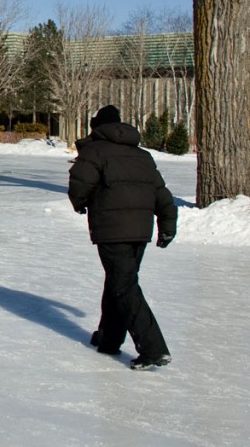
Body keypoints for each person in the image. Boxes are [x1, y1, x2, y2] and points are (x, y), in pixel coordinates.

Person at [67, 104, 178, 371]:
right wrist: (167, 224)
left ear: (97, 128)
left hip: (112, 229)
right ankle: (109, 338)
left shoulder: (94, 151)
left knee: (123, 286)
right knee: (119, 281)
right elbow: (161, 193)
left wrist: (80, 202)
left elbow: (79, 184)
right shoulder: (142, 156)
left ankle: (153, 348)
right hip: (140, 231)